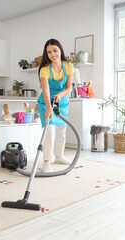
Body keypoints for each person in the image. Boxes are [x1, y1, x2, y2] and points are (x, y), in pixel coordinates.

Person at [37, 38, 75, 173]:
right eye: (49, 52)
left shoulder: (68, 66)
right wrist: (48, 108)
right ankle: (47, 162)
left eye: (55, 50)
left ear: (60, 50)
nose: (53, 54)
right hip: (47, 102)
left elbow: (69, 88)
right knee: (50, 131)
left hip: (62, 102)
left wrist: (60, 95)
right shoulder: (45, 70)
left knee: (61, 131)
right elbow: (46, 90)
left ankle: (59, 156)